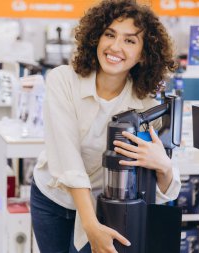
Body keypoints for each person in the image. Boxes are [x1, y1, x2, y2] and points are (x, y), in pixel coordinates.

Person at [30, 1, 181, 253]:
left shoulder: (147, 107)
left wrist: (163, 165)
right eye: (109, 34)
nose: (115, 47)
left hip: (105, 205)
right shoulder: (63, 80)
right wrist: (90, 225)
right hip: (53, 199)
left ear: (144, 54)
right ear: (96, 37)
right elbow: (68, 159)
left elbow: (162, 190)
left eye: (130, 41)